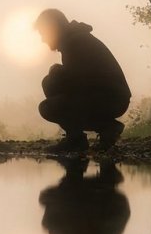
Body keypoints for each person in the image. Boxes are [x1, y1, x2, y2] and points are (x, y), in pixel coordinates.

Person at [35, 8, 131, 151]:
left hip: (111, 98)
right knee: (50, 82)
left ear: (52, 28)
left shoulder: (76, 42)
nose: (43, 39)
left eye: (43, 33)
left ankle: (78, 138)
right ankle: (103, 128)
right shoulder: (73, 40)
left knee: (48, 105)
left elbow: (80, 80)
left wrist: (56, 72)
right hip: (107, 96)